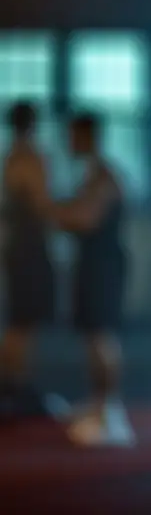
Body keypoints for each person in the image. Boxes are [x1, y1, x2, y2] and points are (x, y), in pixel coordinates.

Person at [50, 113, 133, 446]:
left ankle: (112, 416)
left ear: (88, 136)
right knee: (91, 336)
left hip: (104, 265)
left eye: (74, 136)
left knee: (102, 336)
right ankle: (99, 404)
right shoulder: (91, 176)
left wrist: (45, 208)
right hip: (91, 264)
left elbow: (85, 219)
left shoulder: (105, 176)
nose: (70, 144)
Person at [0, 102, 56, 414]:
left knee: (21, 320)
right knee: (23, 320)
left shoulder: (13, 155)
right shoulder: (27, 158)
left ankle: (13, 383)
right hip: (28, 249)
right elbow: (41, 203)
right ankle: (14, 386)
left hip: (20, 248)